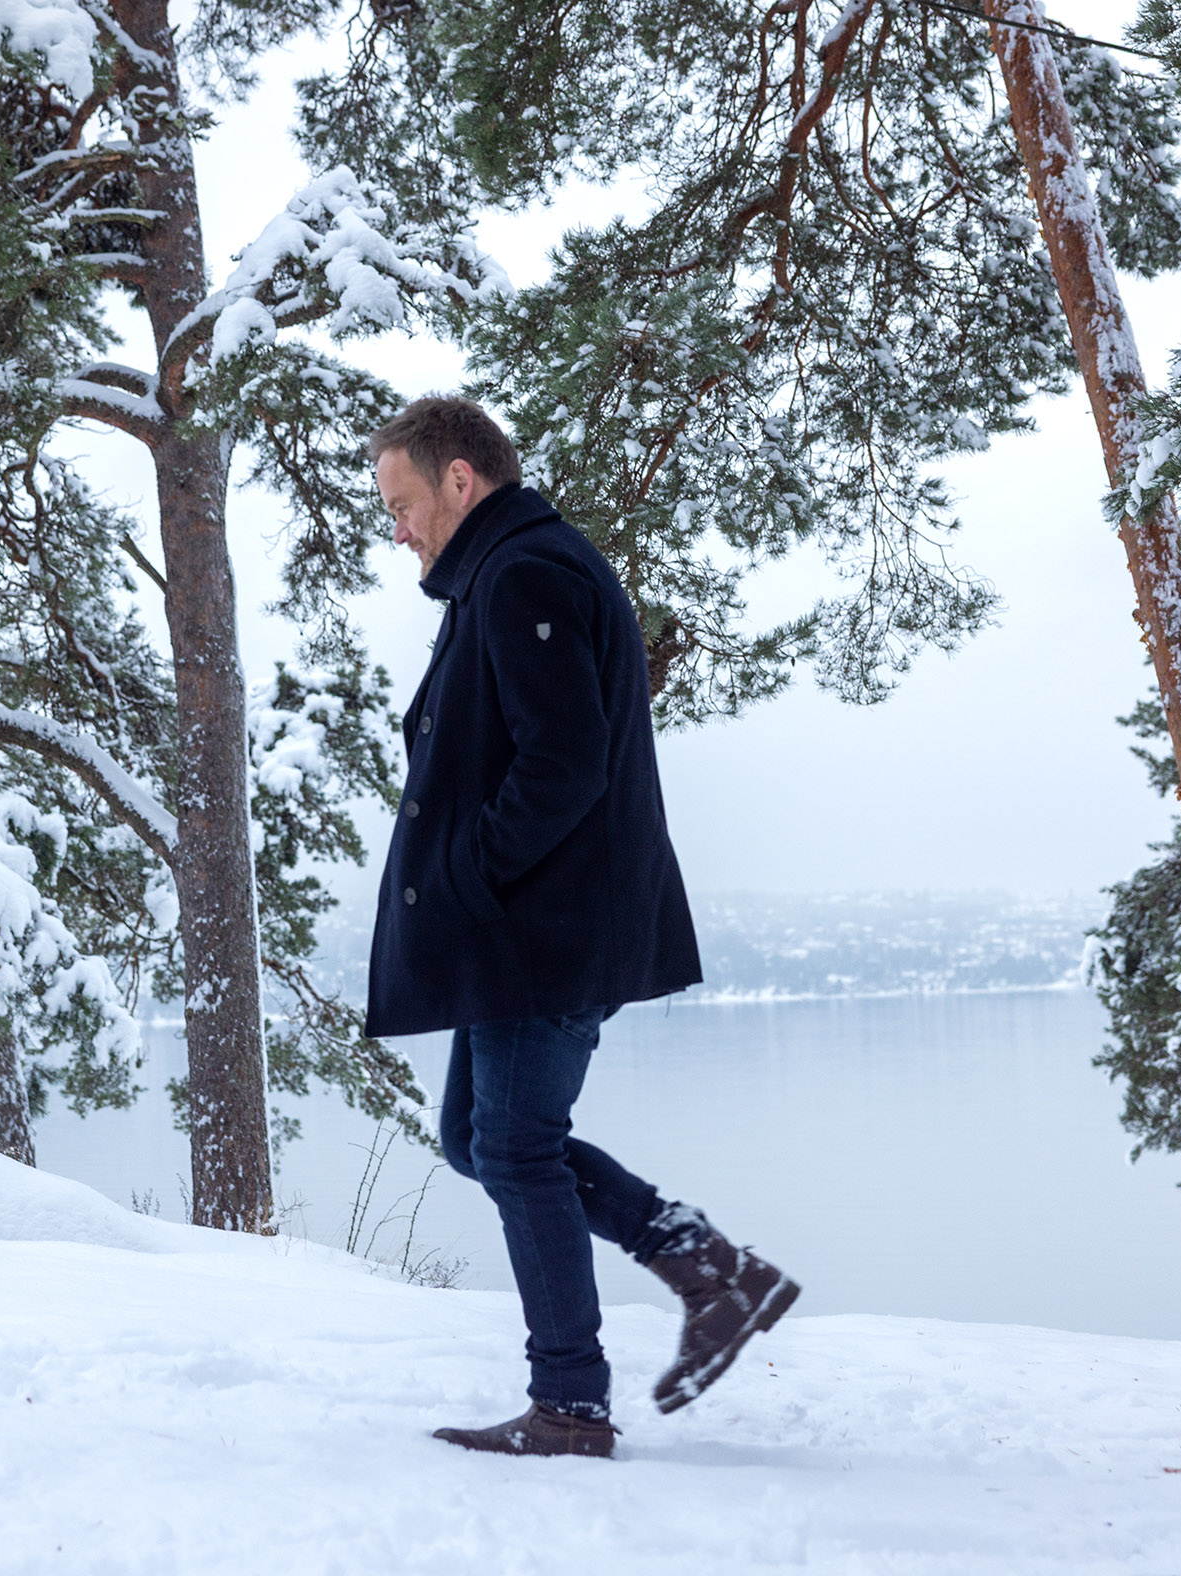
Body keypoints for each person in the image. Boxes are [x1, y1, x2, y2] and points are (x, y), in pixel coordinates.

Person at [364, 396, 798, 1460]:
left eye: (406, 503)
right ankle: (708, 1270)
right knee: (479, 1138)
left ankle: (570, 1402)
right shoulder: (508, 572)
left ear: (461, 480)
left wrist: (468, 877)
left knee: (510, 1145)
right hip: (532, 925)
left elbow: (563, 763)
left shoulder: (524, 576)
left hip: (541, 928)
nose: (399, 528)